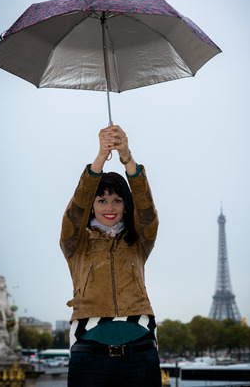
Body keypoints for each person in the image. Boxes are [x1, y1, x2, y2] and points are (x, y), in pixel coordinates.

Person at [60, 125, 161, 387]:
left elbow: (147, 212)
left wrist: (126, 157)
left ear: (126, 205)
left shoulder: (138, 240)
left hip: (141, 352)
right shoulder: (76, 242)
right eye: (101, 200)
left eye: (117, 200)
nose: (109, 207)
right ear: (92, 206)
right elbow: (76, 210)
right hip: (88, 357)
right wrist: (100, 158)